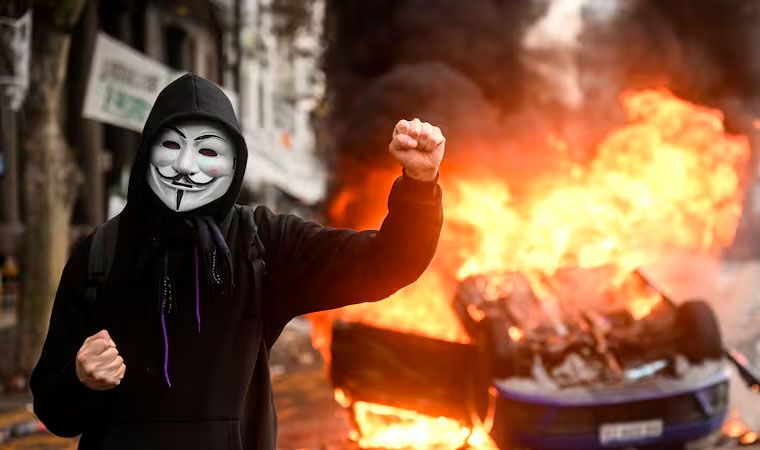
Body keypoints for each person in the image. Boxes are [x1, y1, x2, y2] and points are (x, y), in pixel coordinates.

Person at [29, 73, 445, 449]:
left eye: (208, 151)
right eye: (171, 145)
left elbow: (385, 263)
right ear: (147, 151)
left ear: (235, 163)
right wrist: (80, 381)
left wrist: (419, 187)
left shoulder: (263, 244)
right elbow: (55, 410)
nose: (186, 167)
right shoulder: (100, 253)